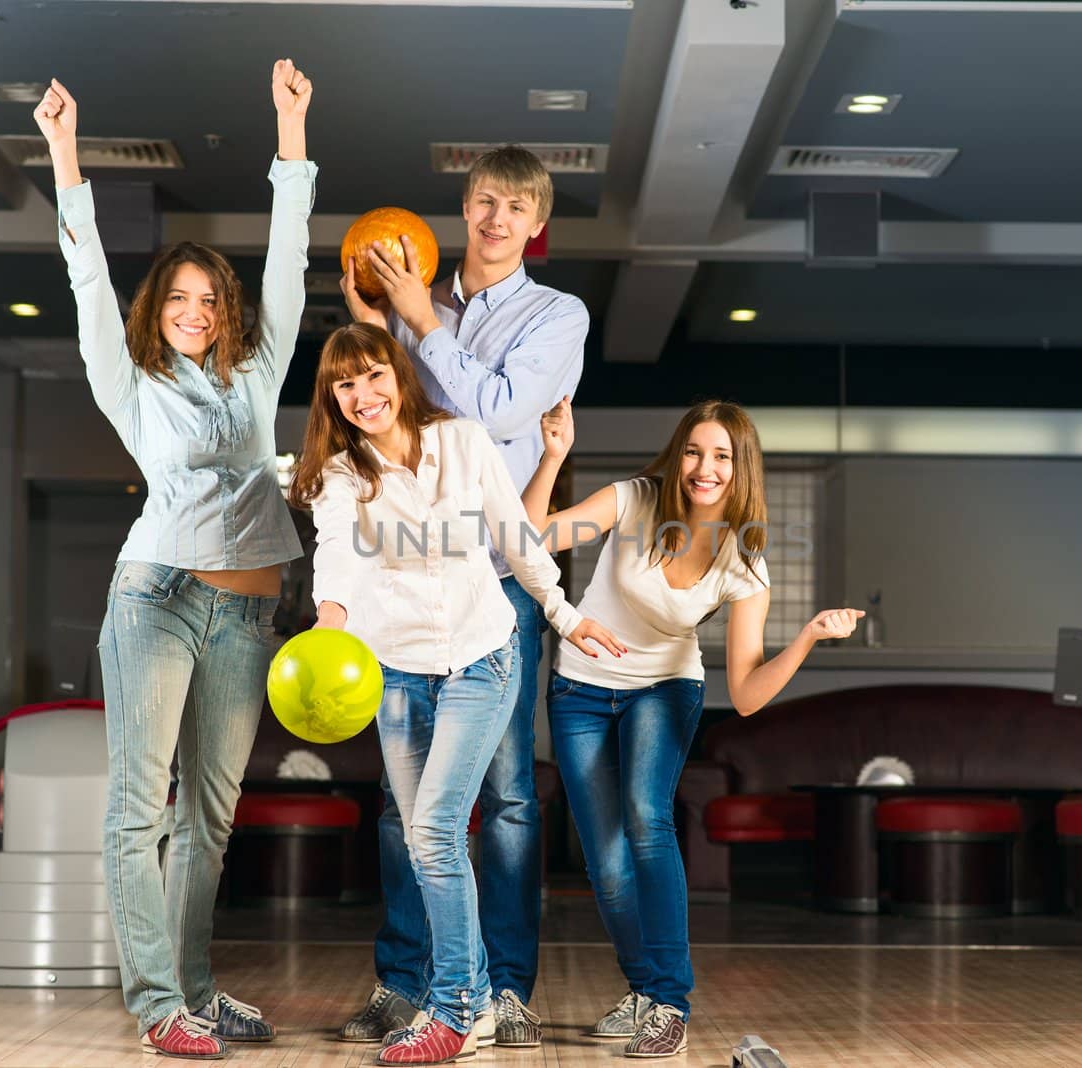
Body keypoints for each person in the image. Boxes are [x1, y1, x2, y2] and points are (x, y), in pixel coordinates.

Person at [34, 60, 315, 1060]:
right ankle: (159, 1006)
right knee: (135, 804)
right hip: (154, 597)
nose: (194, 308)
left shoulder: (258, 370)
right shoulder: (128, 382)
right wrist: (66, 153)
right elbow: (84, 273)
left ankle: (195, 991)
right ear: (156, 308)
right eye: (177, 297)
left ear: (225, 308)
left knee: (211, 817)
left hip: (245, 613)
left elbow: (290, 253)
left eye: (208, 297)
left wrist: (290, 133)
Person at [290, 323, 619, 1066]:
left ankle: (457, 1008)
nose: (363, 395)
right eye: (345, 385)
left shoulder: (464, 442)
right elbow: (336, 561)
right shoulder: (342, 476)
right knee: (421, 838)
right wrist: (329, 633)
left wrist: (565, 616)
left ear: (398, 375)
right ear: (332, 398)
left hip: (482, 654)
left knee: (435, 833)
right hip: (395, 669)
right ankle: (468, 999)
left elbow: (514, 537)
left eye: (373, 375)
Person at [336, 145, 587, 1050]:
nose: (494, 219)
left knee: (509, 795)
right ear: (466, 207)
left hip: (496, 582)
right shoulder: (414, 301)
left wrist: (417, 321)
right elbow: (383, 421)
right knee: (404, 800)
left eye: (515, 207)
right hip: (400, 582)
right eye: (483, 200)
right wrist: (378, 324)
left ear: (535, 223)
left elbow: (501, 416)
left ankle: (503, 988)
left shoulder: (559, 315)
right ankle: (405, 983)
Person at [522, 398, 862, 1057]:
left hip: (665, 687)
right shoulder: (633, 500)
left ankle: (670, 1003)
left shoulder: (744, 558)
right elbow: (533, 535)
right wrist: (553, 456)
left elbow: (746, 694)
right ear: (679, 455)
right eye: (695, 451)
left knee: (648, 819)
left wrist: (809, 639)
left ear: (742, 469)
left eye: (722, 456)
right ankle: (645, 991)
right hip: (581, 689)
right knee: (605, 860)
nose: (706, 467)